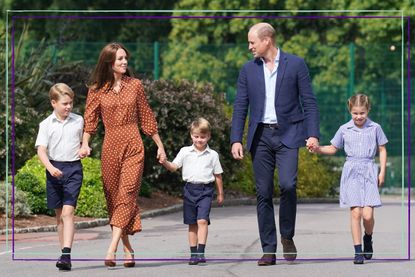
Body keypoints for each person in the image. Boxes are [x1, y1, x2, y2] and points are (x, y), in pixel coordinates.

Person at [230, 22, 320, 265]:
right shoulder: (248, 70)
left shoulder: (296, 64)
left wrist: (313, 134)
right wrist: (236, 138)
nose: (249, 47)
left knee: (288, 185)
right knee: (263, 192)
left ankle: (287, 236)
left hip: (289, 134)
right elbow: (240, 106)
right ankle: (268, 248)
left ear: (267, 40)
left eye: (252, 42)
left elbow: (309, 102)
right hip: (260, 137)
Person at [79, 42, 166, 268]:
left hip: (133, 144)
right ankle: (128, 250)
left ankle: (111, 249)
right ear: (109, 62)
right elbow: (90, 121)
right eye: (120, 59)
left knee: (127, 194)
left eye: (125, 58)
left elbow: (146, 117)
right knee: (114, 198)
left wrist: (159, 145)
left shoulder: (135, 85)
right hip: (110, 147)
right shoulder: (96, 89)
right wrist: (85, 144)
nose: (125, 62)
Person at [310, 94, 387, 264]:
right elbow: (333, 148)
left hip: (368, 171)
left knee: (367, 215)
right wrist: (318, 149)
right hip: (351, 172)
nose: (358, 117)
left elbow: (382, 149)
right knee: (356, 213)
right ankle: (358, 251)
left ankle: (368, 237)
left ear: (368, 110)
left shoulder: (375, 128)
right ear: (350, 111)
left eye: (362, 113)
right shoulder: (344, 129)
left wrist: (381, 172)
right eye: (355, 113)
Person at [35, 83, 84, 271]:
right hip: (54, 169)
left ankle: (66, 254)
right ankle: (63, 253)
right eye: (64, 103)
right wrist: (50, 168)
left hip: (73, 169)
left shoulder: (78, 121)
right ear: (53, 103)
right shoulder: (46, 124)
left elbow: (82, 141)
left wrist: (84, 147)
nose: (68, 107)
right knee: (59, 217)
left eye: (71, 103)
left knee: (67, 213)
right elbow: (41, 150)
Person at [162, 118, 224, 265]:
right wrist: (164, 162)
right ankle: (193, 254)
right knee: (192, 224)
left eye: (203, 137)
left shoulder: (213, 155)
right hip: (190, 190)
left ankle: (201, 252)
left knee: (202, 220)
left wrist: (220, 193)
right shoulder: (185, 152)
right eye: (196, 137)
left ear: (208, 136)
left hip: (206, 191)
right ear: (191, 135)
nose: (199, 140)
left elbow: (218, 175)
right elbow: (174, 166)